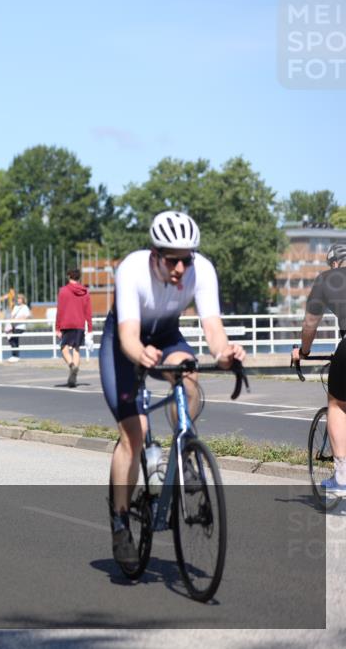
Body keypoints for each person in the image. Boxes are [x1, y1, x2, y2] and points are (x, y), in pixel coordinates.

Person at [99, 211, 245, 569]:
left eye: (186, 259)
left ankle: (185, 449)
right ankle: (120, 522)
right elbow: (129, 338)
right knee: (135, 433)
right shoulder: (132, 269)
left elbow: (212, 327)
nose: (180, 268)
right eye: (172, 260)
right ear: (154, 255)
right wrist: (139, 354)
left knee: (189, 377)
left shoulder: (202, 270)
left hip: (166, 336)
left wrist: (224, 352)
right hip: (123, 344)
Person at [291, 243, 346, 497]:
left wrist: (303, 352)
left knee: (337, 404)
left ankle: (343, 478)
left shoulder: (327, 279)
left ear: (334, 263)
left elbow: (310, 325)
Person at [56, 268, 93, 387]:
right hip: (80, 323)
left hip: (67, 323)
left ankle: (71, 366)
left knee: (63, 347)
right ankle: (74, 374)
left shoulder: (63, 291)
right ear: (79, 278)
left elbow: (60, 310)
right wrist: (90, 328)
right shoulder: (85, 291)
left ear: (68, 276)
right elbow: (88, 311)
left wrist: (57, 327)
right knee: (76, 348)